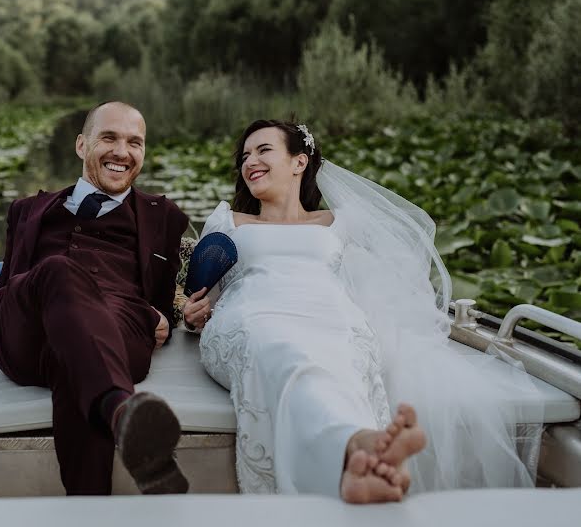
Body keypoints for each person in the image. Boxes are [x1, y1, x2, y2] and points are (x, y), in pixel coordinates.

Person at [184, 119, 540, 503]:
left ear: (299, 162)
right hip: (255, 318)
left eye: (263, 150)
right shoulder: (228, 222)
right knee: (285, 351)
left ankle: (358, 458)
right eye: (245, 155)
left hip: (332, 318)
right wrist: (195, 314)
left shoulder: (340, 223)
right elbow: (205, 297)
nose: (249, 160)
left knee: (338, 357)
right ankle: (357, 446)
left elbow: (382, 282)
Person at [0, 101, 190, 496]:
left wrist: (163, 317)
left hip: (116, 325)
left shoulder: (166, 217)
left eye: (134, 143)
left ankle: (103, 464)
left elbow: (163, 302)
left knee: (74, 357)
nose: (122, 152)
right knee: (58, 269)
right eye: (109, 138)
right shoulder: (25, 211)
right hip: (27, 329)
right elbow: (6, 286)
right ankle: (122, 411)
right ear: (80, 145)